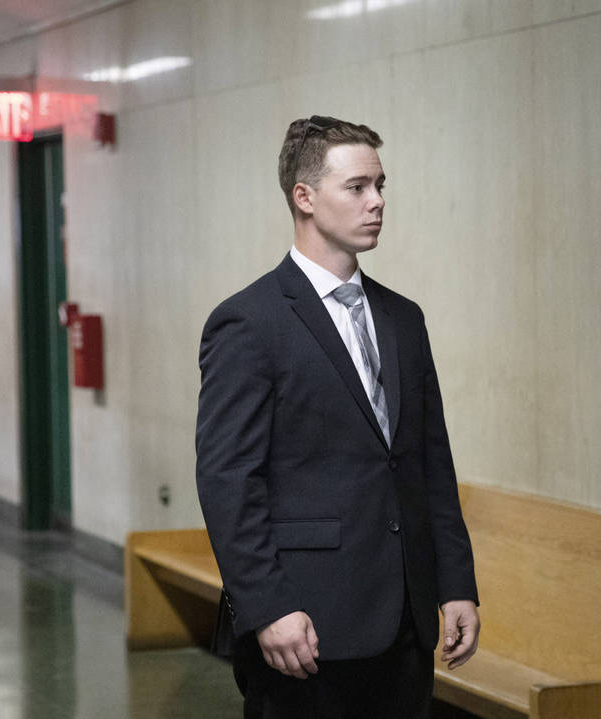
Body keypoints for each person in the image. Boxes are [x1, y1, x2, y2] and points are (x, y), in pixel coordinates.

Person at [195, 117, 479, 718]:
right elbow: (228, 479)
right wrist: (267, 605)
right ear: (304, 196)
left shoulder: (404, 319)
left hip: (405, 620)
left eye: (381, 185)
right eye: (357, 187)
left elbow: (430, 462)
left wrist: (455, 585)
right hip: (305, 623)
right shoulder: (249, 322)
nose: (377, 202)